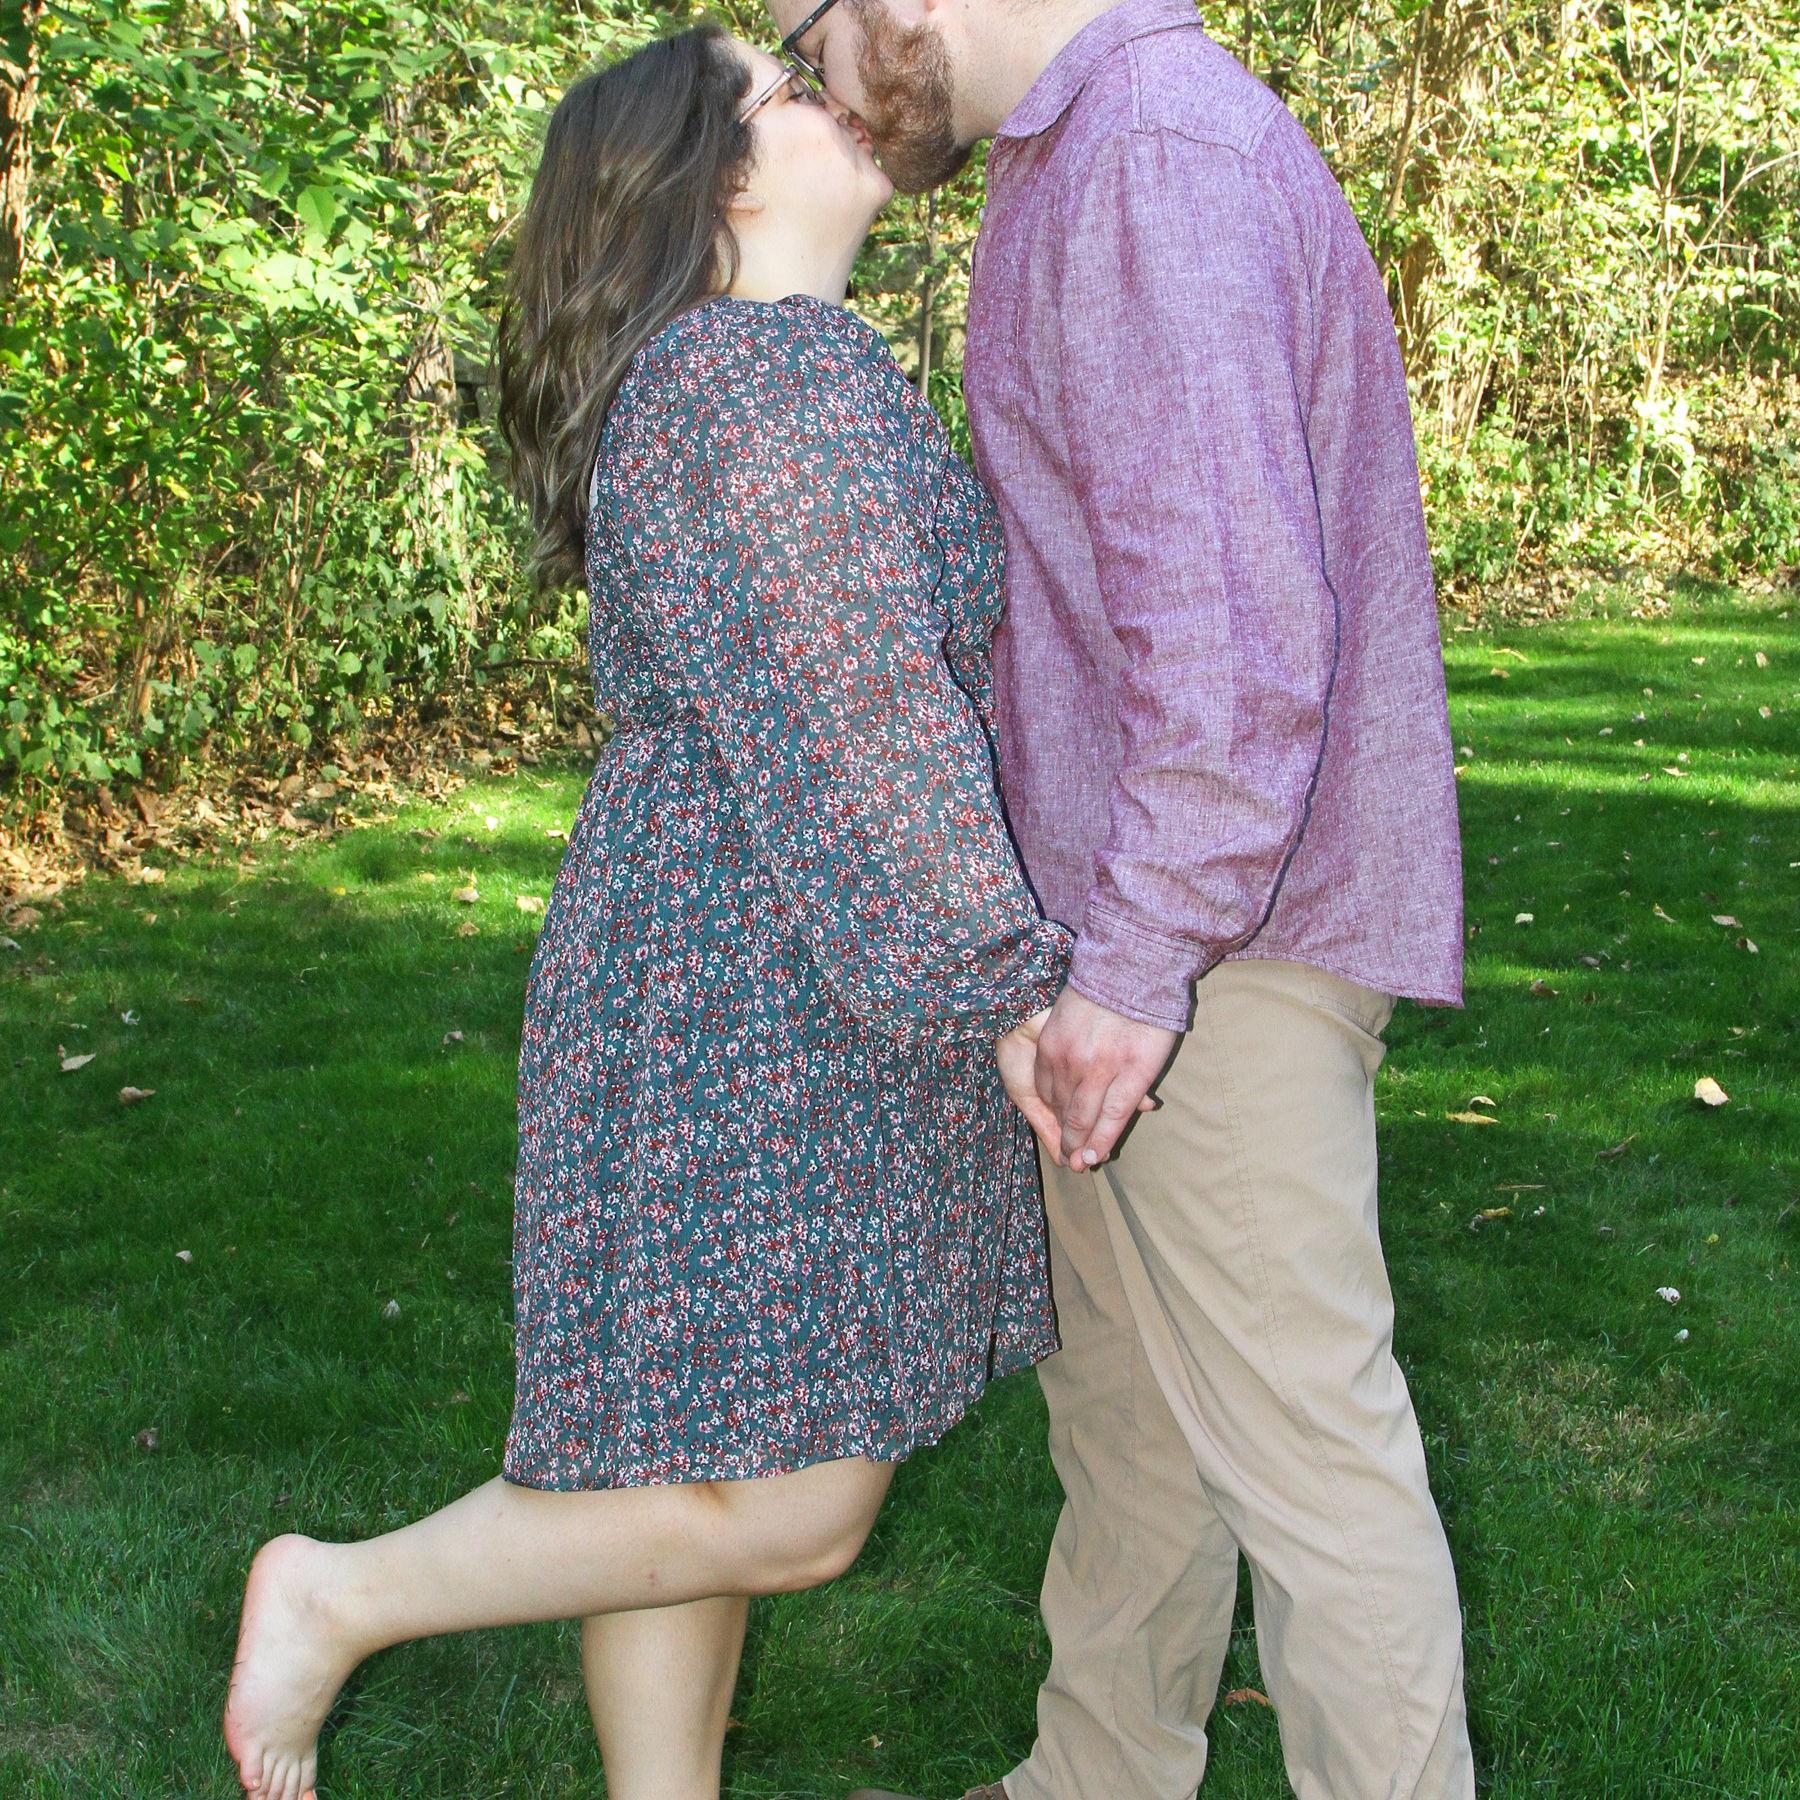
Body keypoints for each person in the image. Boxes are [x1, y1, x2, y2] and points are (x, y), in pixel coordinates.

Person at [220, 27, 1130, 1800]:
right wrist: (1001, 988)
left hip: (712, 942)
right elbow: (862, 711)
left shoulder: (723, 376)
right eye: (784, 88)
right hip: (776, 976)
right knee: (791, 1502)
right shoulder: (764, 379)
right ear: (718, 182)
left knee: (680, 1449)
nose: (833, 86)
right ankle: (339, 1597)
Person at [763, 2, 1478, 1797]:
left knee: (1310, 1465)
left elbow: (1233, 639)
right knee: (1136, 1439)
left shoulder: (1153, 156)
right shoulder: (1076, 160)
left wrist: (1140, 966)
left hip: (1214, 946)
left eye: (805, 35)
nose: (821, 89)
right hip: (1130, 933)